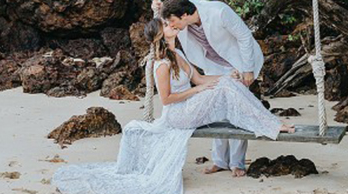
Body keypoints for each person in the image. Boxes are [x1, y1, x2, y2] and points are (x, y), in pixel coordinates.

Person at [52, 18, 293, 194]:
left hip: (189, 105)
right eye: (167, 24)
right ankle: (272, 124)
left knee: (230, 82)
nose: (172, 25)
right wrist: (197, 91)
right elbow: (166, 99)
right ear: (160, 34)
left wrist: (225, 78)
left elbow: (199, 79)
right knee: (227, 88)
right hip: (179, 113)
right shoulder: (160, 64)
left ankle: (267, 122)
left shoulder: (177, 53)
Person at [154, 0, 264, 177]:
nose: (172, 26)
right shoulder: (180, 15)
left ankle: (237, 163)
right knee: (218, 109)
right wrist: (156, 8)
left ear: (184, 16)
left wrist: (248, 70)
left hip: (238, 61)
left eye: (173, 21)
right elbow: (160, 27)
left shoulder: (219, 12)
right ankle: (220, 161)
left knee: (238, 106)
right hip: (213, 65)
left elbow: (244, 37)